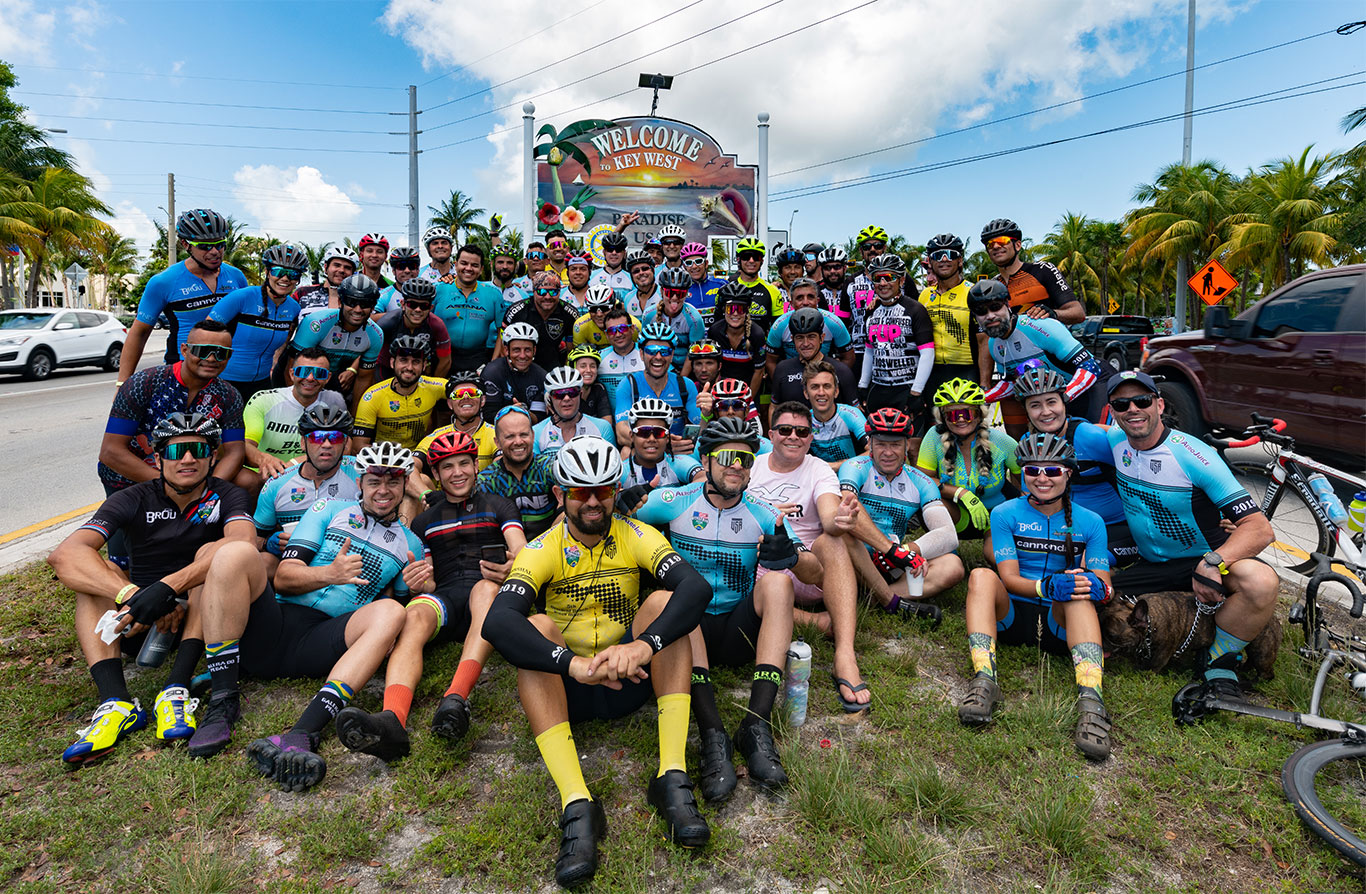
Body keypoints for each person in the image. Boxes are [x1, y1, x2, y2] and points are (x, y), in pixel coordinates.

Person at [483, 437, 714, 887]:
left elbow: (696, 589)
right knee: (538, 627)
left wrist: (644, 645)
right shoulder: (542, 547)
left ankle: (672, 775)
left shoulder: (635, 533)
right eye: (579, 492)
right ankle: (577, 803)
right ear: (559, 496)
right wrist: (571, 664)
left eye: (603, 491)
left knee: (663, 603)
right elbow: (497, 622)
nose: (592, 502)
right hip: (569, 685)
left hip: (632, 674)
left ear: (614, 490)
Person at [188, 443, 423, 786]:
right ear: (360, 483)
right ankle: (223, 701)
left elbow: (395, 604)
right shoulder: (328, 509)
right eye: (374, 481)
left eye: (393, 481)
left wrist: (419, 588)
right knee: (235, 553)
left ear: (405, 485)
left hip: (323, 641)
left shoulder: (410, 544)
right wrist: (331, 573)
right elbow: (283, 577)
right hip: (276, 623)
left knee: (390, 612)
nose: (383, 490)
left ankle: (304, 732)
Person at [49, 414, 255, 764]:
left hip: (204, 616)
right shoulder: (133, 497)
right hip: (139, 619)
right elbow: (64, 555)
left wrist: (167, 589)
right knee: (99, 574)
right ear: (159, 459)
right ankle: (115, 703)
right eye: (176, 450)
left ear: (212, 457)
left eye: (197, 450)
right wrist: (133, 596)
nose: (187, 458)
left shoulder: (228, 494)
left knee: (214, 555)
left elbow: (244, 542)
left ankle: (175, 688)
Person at [632, 418, 797, 802]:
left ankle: (756, 726)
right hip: (690, 633)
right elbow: (611, 527)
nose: (736, 465)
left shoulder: (763, 511)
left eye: (746, 458)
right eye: (726, 456)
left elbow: (814, 571)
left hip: (740, 631)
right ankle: (713, 734)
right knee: (686, 591)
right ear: (704, 459)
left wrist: (791, 556)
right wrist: (625, 503)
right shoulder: (674, 501)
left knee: (779, 582)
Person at [336, 430, 527, 758]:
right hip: (447, 598)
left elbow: (520, 549)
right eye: (447, 466)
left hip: (491, 596)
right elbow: (428, 581)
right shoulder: (424, 521)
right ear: (434, 475)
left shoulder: (499, 505)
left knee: (483, 589)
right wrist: (416, 583)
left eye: (464, 463)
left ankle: (456, 697)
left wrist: (515, 566)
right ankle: (392, 720)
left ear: (475, 466)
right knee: (414, 612)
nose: (457, 472)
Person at [1101, 371, 1277, 705]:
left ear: (1160, 404)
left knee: (1261, 581)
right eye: (1122, 404)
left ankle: (1218, 661)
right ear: (1112, 411)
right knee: (1089, 590)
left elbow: (1259, 528)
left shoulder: (1194, 455)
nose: (1133, 409)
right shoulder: (1113, 441)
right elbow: (1064, 425)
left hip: (1201, 560)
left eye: (1142, 401)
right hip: (1151, 563)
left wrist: (1213, 563)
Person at [958, 433, 1114, 761]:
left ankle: (1092, 703)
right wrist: (1046, 586)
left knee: (1079, 592)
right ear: (1023, 473)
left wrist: (1095, 586)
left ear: (1068, 473)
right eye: (1032, 471)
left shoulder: (1092, 522)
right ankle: (985, 679)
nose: (1042, 478)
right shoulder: (1004, 514)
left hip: (1061, 624)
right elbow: (1010, 579)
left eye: (1052, 471)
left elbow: (1103, 582)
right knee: (981, 576)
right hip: (1013, 614)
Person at [748, 402, 870, 713]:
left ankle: (844, 654)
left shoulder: (816, 469)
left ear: (810, 437)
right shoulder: (753, 467)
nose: (794, 437)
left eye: (802, 431)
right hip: (763, 569)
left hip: (809, 569)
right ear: (771, 434)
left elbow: (828, 514)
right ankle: (817, 622)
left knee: (833, 541)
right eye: (785, 430)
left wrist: (839, 518)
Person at [99, 320, 247, 535]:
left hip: (194, 481)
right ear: (184, 350)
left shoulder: (229, 395)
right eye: (202, 351)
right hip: (130, 480)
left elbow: (235, 451)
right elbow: (110, 452)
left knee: (246, 481)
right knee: (127, 561)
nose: (212, 359)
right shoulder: (143, 383)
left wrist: (207, 489)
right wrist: (170, 487)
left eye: (221, 353)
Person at [837, 408, 964, 619]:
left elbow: (948, 534)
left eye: (895, 445)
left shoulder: (921, 481)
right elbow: (849, 511)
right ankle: (886, 598)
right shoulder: (854, 466)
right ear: (870, 445)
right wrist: (890, 550)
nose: (888, 452)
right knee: (843, 532)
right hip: (854, 557)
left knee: (953, 566)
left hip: (893, 565)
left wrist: (907, 551)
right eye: (881, 444)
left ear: (907, 446)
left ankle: (877, 597)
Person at [1014, 367, 1139, 565]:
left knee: (1084, 563)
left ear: (1064, 402)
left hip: (1114, 527)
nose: (1046, 412)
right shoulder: (1029, 443)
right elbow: (1026, 496)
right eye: (1035, 405)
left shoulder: (1089, 436)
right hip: (1069, 529)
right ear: (1026, 411)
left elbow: (1139, 470)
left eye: (1052, 402)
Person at [119, 208, 249, 381]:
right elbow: (139, 333)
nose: (215, 252)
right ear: (185, 244)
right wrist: (122, 383)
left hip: (227, 372)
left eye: (220, 244)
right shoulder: (164, 282)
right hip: (182, 374)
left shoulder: (236, 277)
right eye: (204, 246)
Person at [970, 278, 1107, 431]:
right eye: (981, 312)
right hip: (1057, 398)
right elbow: (1012, 383)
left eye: (995, 307)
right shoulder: (993, 344)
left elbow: (1090, 366)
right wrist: (978, 399)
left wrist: (1064, 397)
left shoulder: (1038, 325)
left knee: (1093, 436)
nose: (990, 316)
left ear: (1008, 306)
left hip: (1093, 384)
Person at [253, 405, 360, 567]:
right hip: (292, 564)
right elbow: (255, 537)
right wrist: (268, 543)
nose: (326, 444)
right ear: (303, 443)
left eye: (335, 437)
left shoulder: (362, 472)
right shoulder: (277, 484)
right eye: (317, 437)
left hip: (349, 562)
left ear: (346, 444)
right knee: (262, 562)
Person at [916, 378, 1019, 546]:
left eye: (967, 413)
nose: (960, 420)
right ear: (943, 417)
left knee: (995, 557)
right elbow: (921, 481)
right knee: (929, 502)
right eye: (952, 414)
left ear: (979, 415)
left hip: (995, 517)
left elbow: (1023, 487)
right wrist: (962, 494)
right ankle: (947, 553)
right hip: (956, 515)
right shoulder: (933, 436)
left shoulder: (1002, 441)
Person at [209, 242, 305, 400]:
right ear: (267, 272)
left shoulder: (293, 308)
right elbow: (203, 335)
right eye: (278, 271)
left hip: (262, 384)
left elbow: (284, 341)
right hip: (224, 382)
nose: (285, 278)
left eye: (293, 274)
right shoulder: (242, 297)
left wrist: (274, 364)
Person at [240, 349, 346, 480]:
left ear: (328, 378)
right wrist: (265, 460)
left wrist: (296, 463)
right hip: (265, 473)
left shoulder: (332, 404)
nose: (310, 378)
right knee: (245, 480)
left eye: (319, 373)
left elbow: (346, 447)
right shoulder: (264, 400)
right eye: (303, 371)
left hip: (309, 472)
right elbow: (244, 444)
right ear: (292, 374)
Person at [858, 254, 935, 429]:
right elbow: (870, 351)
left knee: (912, 447)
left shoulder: (916, 310)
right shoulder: (871, 311)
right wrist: (863, 385)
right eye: (878, 278)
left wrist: (916, 392)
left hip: (906, 388)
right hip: (878, 388)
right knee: (879, 444)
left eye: (889, 277)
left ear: (901, 280)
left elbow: (927, 353)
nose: (883, 283)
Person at [287, 274, 384, 407]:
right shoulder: (316, 324)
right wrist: (296, 407)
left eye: (365, 304)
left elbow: (364, 378)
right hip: (301, 373)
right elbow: (293, 367)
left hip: (332, 376)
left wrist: (355, 419)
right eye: (351, 302)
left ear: (373, 307)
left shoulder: (376, 335)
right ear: (340, 302)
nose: (358, 309)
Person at [612, 322, 701, 451]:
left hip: (679, 453)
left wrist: (707, 414)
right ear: (641, 354)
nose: (658, 357)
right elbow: (621, 433)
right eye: (651, 351)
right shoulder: (629, 384)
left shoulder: (686, 385)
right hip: (645, 451)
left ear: (672, 356)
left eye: (665, 352)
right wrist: (663, 444)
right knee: (626, 451)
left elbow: (700, 429)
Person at [918, 233, 987, 398]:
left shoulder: (974, 292)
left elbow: (984, 341)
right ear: (930, 262)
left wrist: (985, 383)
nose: (944, 259)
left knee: (965, 421)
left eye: (950, 254)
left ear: (960, 261)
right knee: (934, 423)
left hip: (966, 370)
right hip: (932, 372)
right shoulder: (925, 295)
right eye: (937, 256)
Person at [980, 218, 1085, 325]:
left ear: (1018, 245)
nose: (996, 246)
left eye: (1002, 241)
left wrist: (1053, 314)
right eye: (990, 244)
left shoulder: (1043, 270)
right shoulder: (992, 285)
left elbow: (1078, 313)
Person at [352, 335, 447, 452]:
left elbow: (463, 389)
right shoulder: (373, 396)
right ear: (392, 363)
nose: (409, 367)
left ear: (424, 365)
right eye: (403, 360)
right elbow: (358, 447)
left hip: (420, 456)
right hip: (383, 458)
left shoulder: (433, 387)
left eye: (416, 362)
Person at [478, 406, 560, 539]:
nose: (518, 442)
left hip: (551, 547)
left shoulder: (550, 468)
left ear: (533, 436)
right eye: (510, 436)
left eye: (523, 434)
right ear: (497, 442)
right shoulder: (487, 481)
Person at [768, 307, 860, 410]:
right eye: (800, 338)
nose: (806, 344)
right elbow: (774, 407)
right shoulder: (782, 369)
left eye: (811, 337)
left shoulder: (841, 371)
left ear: (822, 338)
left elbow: (856, 412)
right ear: (792, 339)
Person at [432, 243, 502, 369]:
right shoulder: (438, 290)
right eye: (464, 263)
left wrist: (493, 364)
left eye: (475, 265)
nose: (468, 268)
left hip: (478, 358)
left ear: (481, 269)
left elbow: (501, 332)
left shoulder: (493, 294)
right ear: (456, 264)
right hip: (441, 357)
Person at [415, 372, 499, 477]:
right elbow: (411, 466)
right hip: (444, 493)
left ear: (483, 400)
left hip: (485, 491)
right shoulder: (438, 435)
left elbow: (502, 467)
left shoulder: (495, 433)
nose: (466, 397)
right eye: (458, 394)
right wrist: (427, 493)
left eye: (472, 393)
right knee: (422, 478)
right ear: (450, 404)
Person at [375, 278, 452, 380]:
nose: (418, 310)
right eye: (412, 304)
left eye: (424, 306)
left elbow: (445, 361)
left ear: (431, 308)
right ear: (403, 304)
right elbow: (369, 355)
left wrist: (433, 385)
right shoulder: (388, 323)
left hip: (421, 370)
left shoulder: (437, 325)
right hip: (387, 368)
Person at [501, 271, 577, 372]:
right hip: (521, 364)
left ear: (560, 292)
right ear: (533, 291)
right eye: (541, 292)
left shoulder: (569, 313)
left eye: (553, 292)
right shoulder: (516, 312)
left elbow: (570, 350)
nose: (547, 297)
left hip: (553, 364)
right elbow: (503, 346)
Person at [766, 278, 853, 367]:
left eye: (810, 297)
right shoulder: (779, 326)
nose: (805, 302)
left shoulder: (834, 323)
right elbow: (770, 361)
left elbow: (848, 357)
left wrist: (834, 379)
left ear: (817, 300)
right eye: (799, 298)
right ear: (791, 303)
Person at [533, 366, 616, 457]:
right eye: (559, 394)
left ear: (580, 395)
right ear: (550, 399)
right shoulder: (536, 433)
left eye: (572, 392)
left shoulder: (602, 428)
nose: (567, 398)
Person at [619, 398, 703, 484]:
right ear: (632, 436)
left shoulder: (679, 463)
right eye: (643, 432)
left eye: (659, 432)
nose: (651, 439)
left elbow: (703, 478)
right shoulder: (621, 471)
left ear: (667, 438)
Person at [706, 283, 767, 399]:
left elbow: (758, 372)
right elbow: (713, 368)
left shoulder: (757, 334)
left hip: (748, 389)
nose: (735, 313)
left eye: (740, 309)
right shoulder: (715, 331)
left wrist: (748, 402)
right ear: (724, 309)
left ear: (747, 310)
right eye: (731, 309)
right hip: (722, 389)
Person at [480, 323, 548, 421]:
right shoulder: (492, 372)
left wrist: (524, 412)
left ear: (534, 350)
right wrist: (514, 411)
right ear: (507, 350)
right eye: (517, 350)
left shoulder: (541, 376)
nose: (522, 356)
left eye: (527, 350)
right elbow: (488, 415)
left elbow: (540, 418)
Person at [806, 361, 868, 467]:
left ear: (836, 392)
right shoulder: (804, 420)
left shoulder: (850, 414)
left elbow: (874, 451)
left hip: (852, 472)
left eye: (827, 386)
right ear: (806, 393)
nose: (821, 393)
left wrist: (832, 467)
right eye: (815, 387)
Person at [643, 268, 705, 369]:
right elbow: (645, 348)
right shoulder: (649, 315)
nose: (675, 298)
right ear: (661, 291)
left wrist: (681, 379)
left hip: (685, 368)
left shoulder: (694, 319)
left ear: (687, 293)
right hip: (657, 366)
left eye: (681, 293)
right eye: (670, 293)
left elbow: (693, 353)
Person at [731, 237, 784, 332]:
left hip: (761, 345)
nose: (751, 261)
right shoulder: (727, 289)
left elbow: (778, 328)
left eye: (756, 257)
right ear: (738, 260)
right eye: (746, 256)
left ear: (762, 261)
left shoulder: (773, 291)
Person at [295, 245, 359, 312]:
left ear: (352, 273)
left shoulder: (358, 298)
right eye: (337, 265)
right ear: (325, 268)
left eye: (347, 268)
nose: (341, 270)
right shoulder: (303, 293)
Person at [572, 284, 634, 348]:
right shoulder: (580, 326)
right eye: (593, 309)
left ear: (614, 307)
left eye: (604, 308)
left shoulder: (631, 324)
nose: (599, 314)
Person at [568, 343, 614, 422]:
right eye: (583, 366)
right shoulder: (564, 392)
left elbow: (607, 423)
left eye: (593, 366)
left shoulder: (599, 388)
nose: (588, 370)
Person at [680, 241, 724, 324]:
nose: (694, 266)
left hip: (716, 335)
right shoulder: (681, 289)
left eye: (698, 261)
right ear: (684, 267)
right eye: (689, 263)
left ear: (706, 263)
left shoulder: (722, 285)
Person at [374, 246, 421, 314]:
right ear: (393, 271)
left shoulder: (430, 292)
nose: (407, 271)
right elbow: (371, 319)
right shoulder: (383, 295)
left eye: (412, 266)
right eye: (401, 267)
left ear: (418, 270)